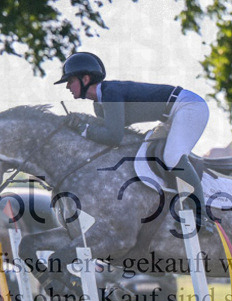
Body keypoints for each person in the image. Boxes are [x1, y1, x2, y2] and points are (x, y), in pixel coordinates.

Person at [55, 51, 213, 228]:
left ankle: (202, 216)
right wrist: (80, 124)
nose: (68, 86)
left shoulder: (110, 93)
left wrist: (82, 129)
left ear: (85, 79)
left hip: (189, 107)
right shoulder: (99, 104)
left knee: (172, 157)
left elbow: (114, 136)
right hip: (171, 115)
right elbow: (104, 132)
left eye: (70, 81)